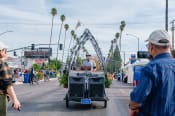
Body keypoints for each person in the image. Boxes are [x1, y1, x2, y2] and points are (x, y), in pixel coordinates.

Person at [129, 29, 175, 116]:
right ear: (170, 46)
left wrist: (133, 107)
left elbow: (136, 100)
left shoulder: (151, 68)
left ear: (151, 47)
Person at [0, 41, 21, 115]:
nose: (6, 52)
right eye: (5, 50)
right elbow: (8, 85)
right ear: (2, 51)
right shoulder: (2, 65)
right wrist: (15, 100)